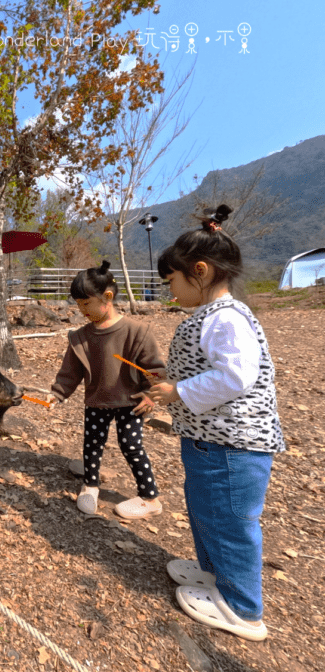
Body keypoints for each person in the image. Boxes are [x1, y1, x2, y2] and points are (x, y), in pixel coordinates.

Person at [148, 205, 285, 642]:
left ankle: (243, 608)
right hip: (210, 440)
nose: (170, 290)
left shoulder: (226, 317)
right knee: (207, 509)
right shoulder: (208, 317)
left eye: (172, 280)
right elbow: (211, 370)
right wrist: (172, 382)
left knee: (229, 520)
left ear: (200, 272)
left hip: (233, 445)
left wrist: (179, 392)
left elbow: (236, 375)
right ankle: (213, 573)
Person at [48, 260, 166, 520]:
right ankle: (90, 486)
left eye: (86, 304)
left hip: (131, 401)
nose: (82, 311)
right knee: (92, 444)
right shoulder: (80, 337)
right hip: (97, 401)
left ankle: (150, 498)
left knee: (132, 446)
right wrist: (57, 393)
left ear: (107, 297)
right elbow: (71, 371)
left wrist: (150, 394)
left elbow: (154, 369)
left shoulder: (137, 332)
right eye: (78, 306)